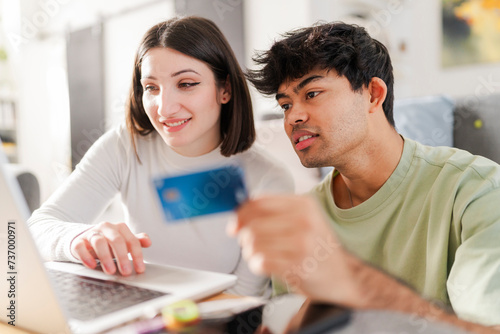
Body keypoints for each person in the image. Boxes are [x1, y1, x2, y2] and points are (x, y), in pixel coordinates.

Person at [230, 21, 500, 332]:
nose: (293, 117)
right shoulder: (301, 218)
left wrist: (355, 283)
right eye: (286, 105)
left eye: (313, 93)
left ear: (373, 94)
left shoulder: (475, 190)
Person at [27, 16, 294, 297]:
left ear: (225, 89)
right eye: (151, 88)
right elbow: (38, 228)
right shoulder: (125, 145)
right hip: (136, 312)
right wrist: (78, 237)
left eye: (187, 83)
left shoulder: (268, 179)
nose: (164, 108)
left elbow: (240, 300)